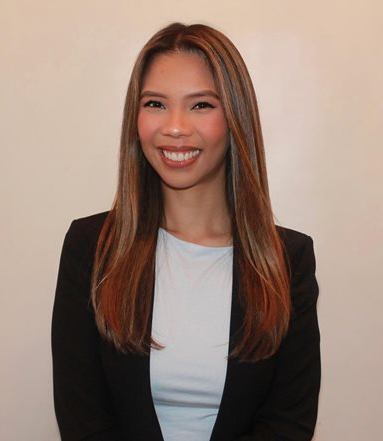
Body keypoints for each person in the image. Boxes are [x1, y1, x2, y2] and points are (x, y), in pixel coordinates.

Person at [52, 23, 320, 441]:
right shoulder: (91, 247)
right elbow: (83, 421)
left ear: (235, 118)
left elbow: (288, 423)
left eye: (200, 106)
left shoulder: (288, 258)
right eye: (156, 103)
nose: (174, 127)